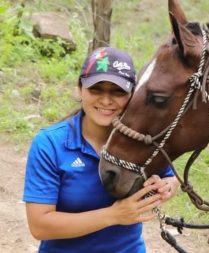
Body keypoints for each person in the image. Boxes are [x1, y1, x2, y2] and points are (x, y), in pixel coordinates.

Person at [23, 47, 179, 253]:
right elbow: (40, 226)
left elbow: (171, 177)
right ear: (79, 90)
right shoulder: (50, 144)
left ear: (133, 95)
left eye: (118, 91)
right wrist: (114, 215)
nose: (106, 101)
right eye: (96, 89)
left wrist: (166, 186)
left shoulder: (142, 139)